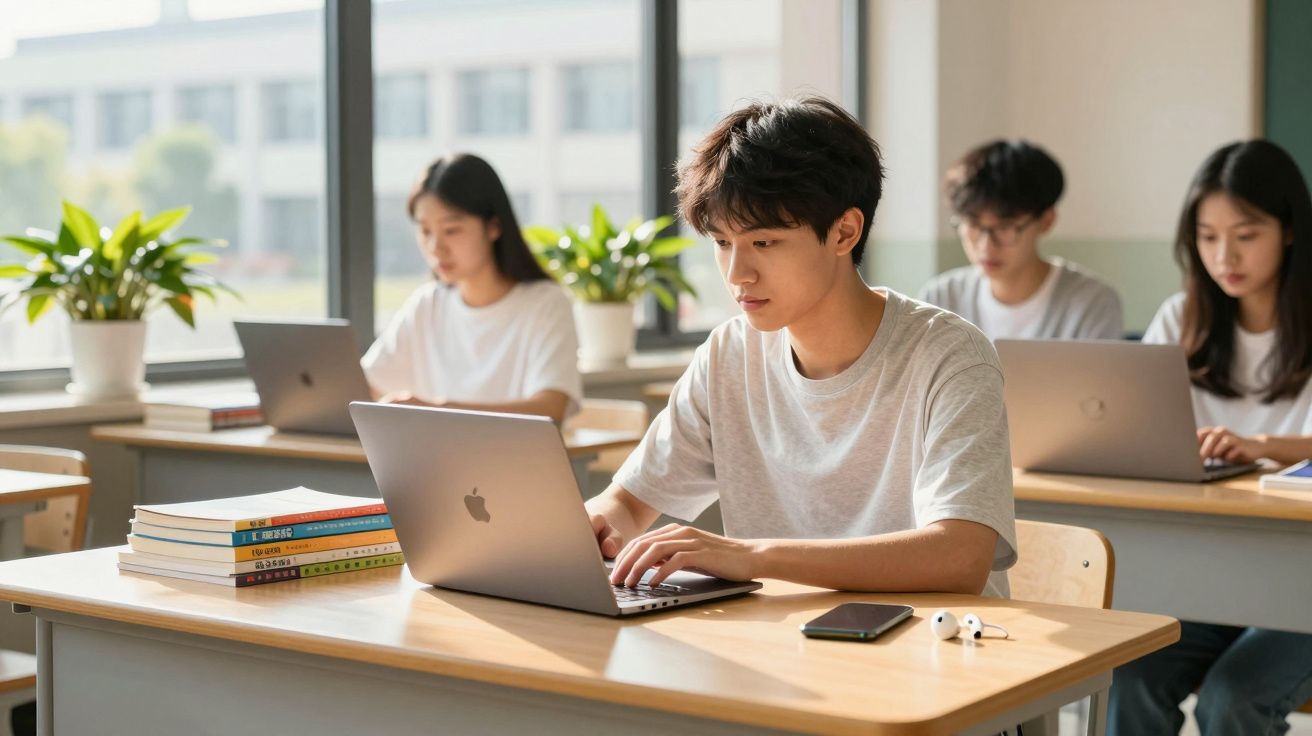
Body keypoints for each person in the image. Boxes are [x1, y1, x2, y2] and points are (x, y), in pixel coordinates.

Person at [586, 96, 1017, 596]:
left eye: (763, 243)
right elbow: (627, 503)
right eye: (723, 243)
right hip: (782, 647)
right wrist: (594, 525)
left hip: (933, 651)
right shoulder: (729, 353)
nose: (736, 274)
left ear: (844, 232)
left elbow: (959, 555)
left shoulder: (950, 356)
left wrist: (752, 556)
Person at [1108, 139, 1312, 735]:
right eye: (1208, 235)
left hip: (1301, 578)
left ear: (1290, 231)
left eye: (1246, 235)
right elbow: (1140, 429)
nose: (1226, 255)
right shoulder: (1182, 316)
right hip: (1209, 569)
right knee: (1131, 675)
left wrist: (1259, 445)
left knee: (1232, 698)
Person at [362, 154, 582, 423]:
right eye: (425, 231)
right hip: (431, 463)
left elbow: (550, 408)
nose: (435, 248)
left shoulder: (545, 303)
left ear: (493, 227)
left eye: (451, 230)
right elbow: (365, 386)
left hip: (511, 463)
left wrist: (438, 410)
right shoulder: (428, 303)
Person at [919, 140, 1123, 340]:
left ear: (1046, 220)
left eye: (1005, 228)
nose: (986, 246)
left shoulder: (1092, 303)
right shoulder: (940, 299)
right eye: (973, 225)